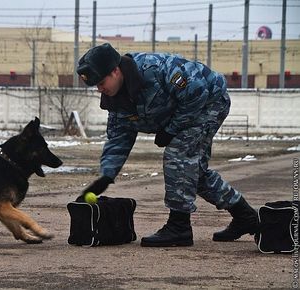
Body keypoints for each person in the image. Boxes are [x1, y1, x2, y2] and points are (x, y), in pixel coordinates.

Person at [77, 43, 258, 247]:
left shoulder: (155, 69)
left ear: (116, 70)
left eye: (101, 82)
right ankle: (245, 216)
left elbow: (197, 93)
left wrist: (172, 129)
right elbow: (118, 139)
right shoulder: (115, 102)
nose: (100, 89)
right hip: (186, 111)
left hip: (209, 102)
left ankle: (179, 227)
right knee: (194, 173)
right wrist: (106, 176)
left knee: (178, 157)